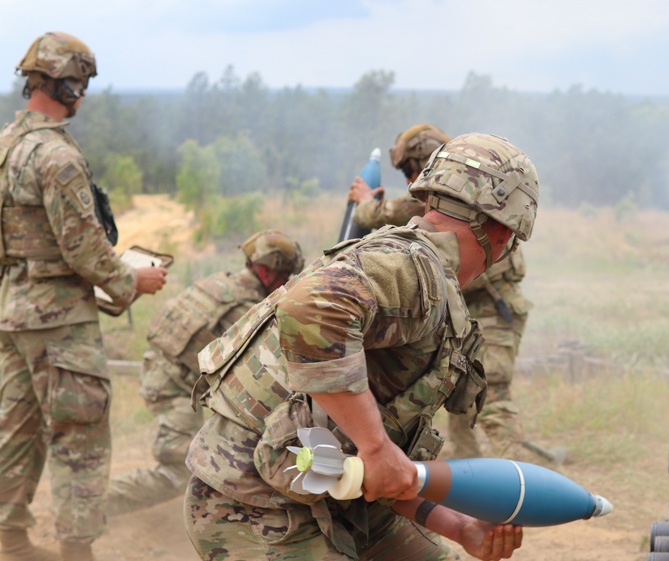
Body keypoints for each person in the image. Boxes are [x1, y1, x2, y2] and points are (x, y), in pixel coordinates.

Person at [184, 132, 539, 560]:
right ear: (503, 233)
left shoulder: (420, 274)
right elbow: (309, 307)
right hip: (257, 505)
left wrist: (460, 527)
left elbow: (379, 469)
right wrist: (374, 445)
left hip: (337, 495)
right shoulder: (414, 269)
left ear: (430, 200)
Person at [0, 32, 168, 561]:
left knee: (16, 430)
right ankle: (77, 552)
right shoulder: (57, 157)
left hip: (13, 312)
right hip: (60, 322)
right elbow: (83, 249)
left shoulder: (5, 147)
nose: (85, 94)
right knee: (80, 436)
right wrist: (131, 281)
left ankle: (10, 539)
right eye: (83, 83)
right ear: (66, 82)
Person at [349, 124, 551, 462]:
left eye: (410, 169)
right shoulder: (465, 189)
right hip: (472, 308)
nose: (411, 178)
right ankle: (470, 473)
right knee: (460, 397)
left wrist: (365, 202)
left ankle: (520, 482)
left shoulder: (455, 194)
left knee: (494, 399)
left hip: (491, 308)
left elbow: (379, 213)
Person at [106, 230, 304, 516]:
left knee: (211, 454)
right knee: (183, 470)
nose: (287, 282)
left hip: (165, 373)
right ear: (265, 270)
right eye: (285, 274)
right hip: (173, 386)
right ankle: (97, 502)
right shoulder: (244, 310)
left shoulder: (223, 282)